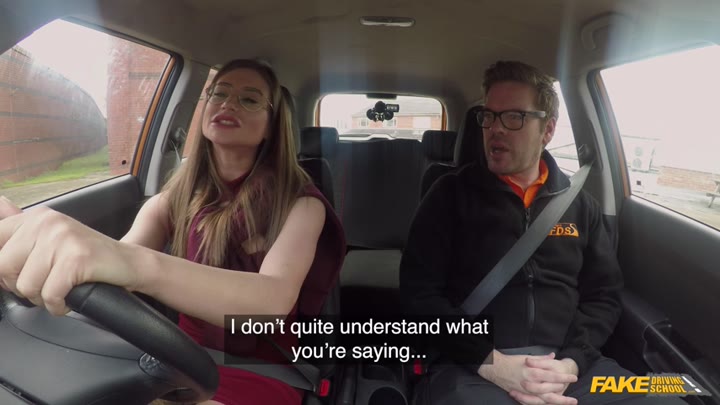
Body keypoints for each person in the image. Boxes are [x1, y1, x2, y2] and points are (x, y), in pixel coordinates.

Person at [0, 59, 345, 405]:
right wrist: (41, 262)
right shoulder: (172, 199)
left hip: (259, 370)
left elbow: (271, 303)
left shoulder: (301, 204)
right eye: (219, 93)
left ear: (271, 125)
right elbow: (114, 269)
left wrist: (133, 263)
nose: (228, 104)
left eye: (249, 99)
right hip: (178, 359)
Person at [399, 61, 685, 405]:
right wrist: (491, 363)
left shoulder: (581, 205)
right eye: (489, 116)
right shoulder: (448, 196)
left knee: (669, 398)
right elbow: (419, 296)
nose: (495, 129)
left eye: (514, 117)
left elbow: (603, 296)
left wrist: (571, 363)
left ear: (547, 130)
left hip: (571, 368)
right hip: (472, 366)